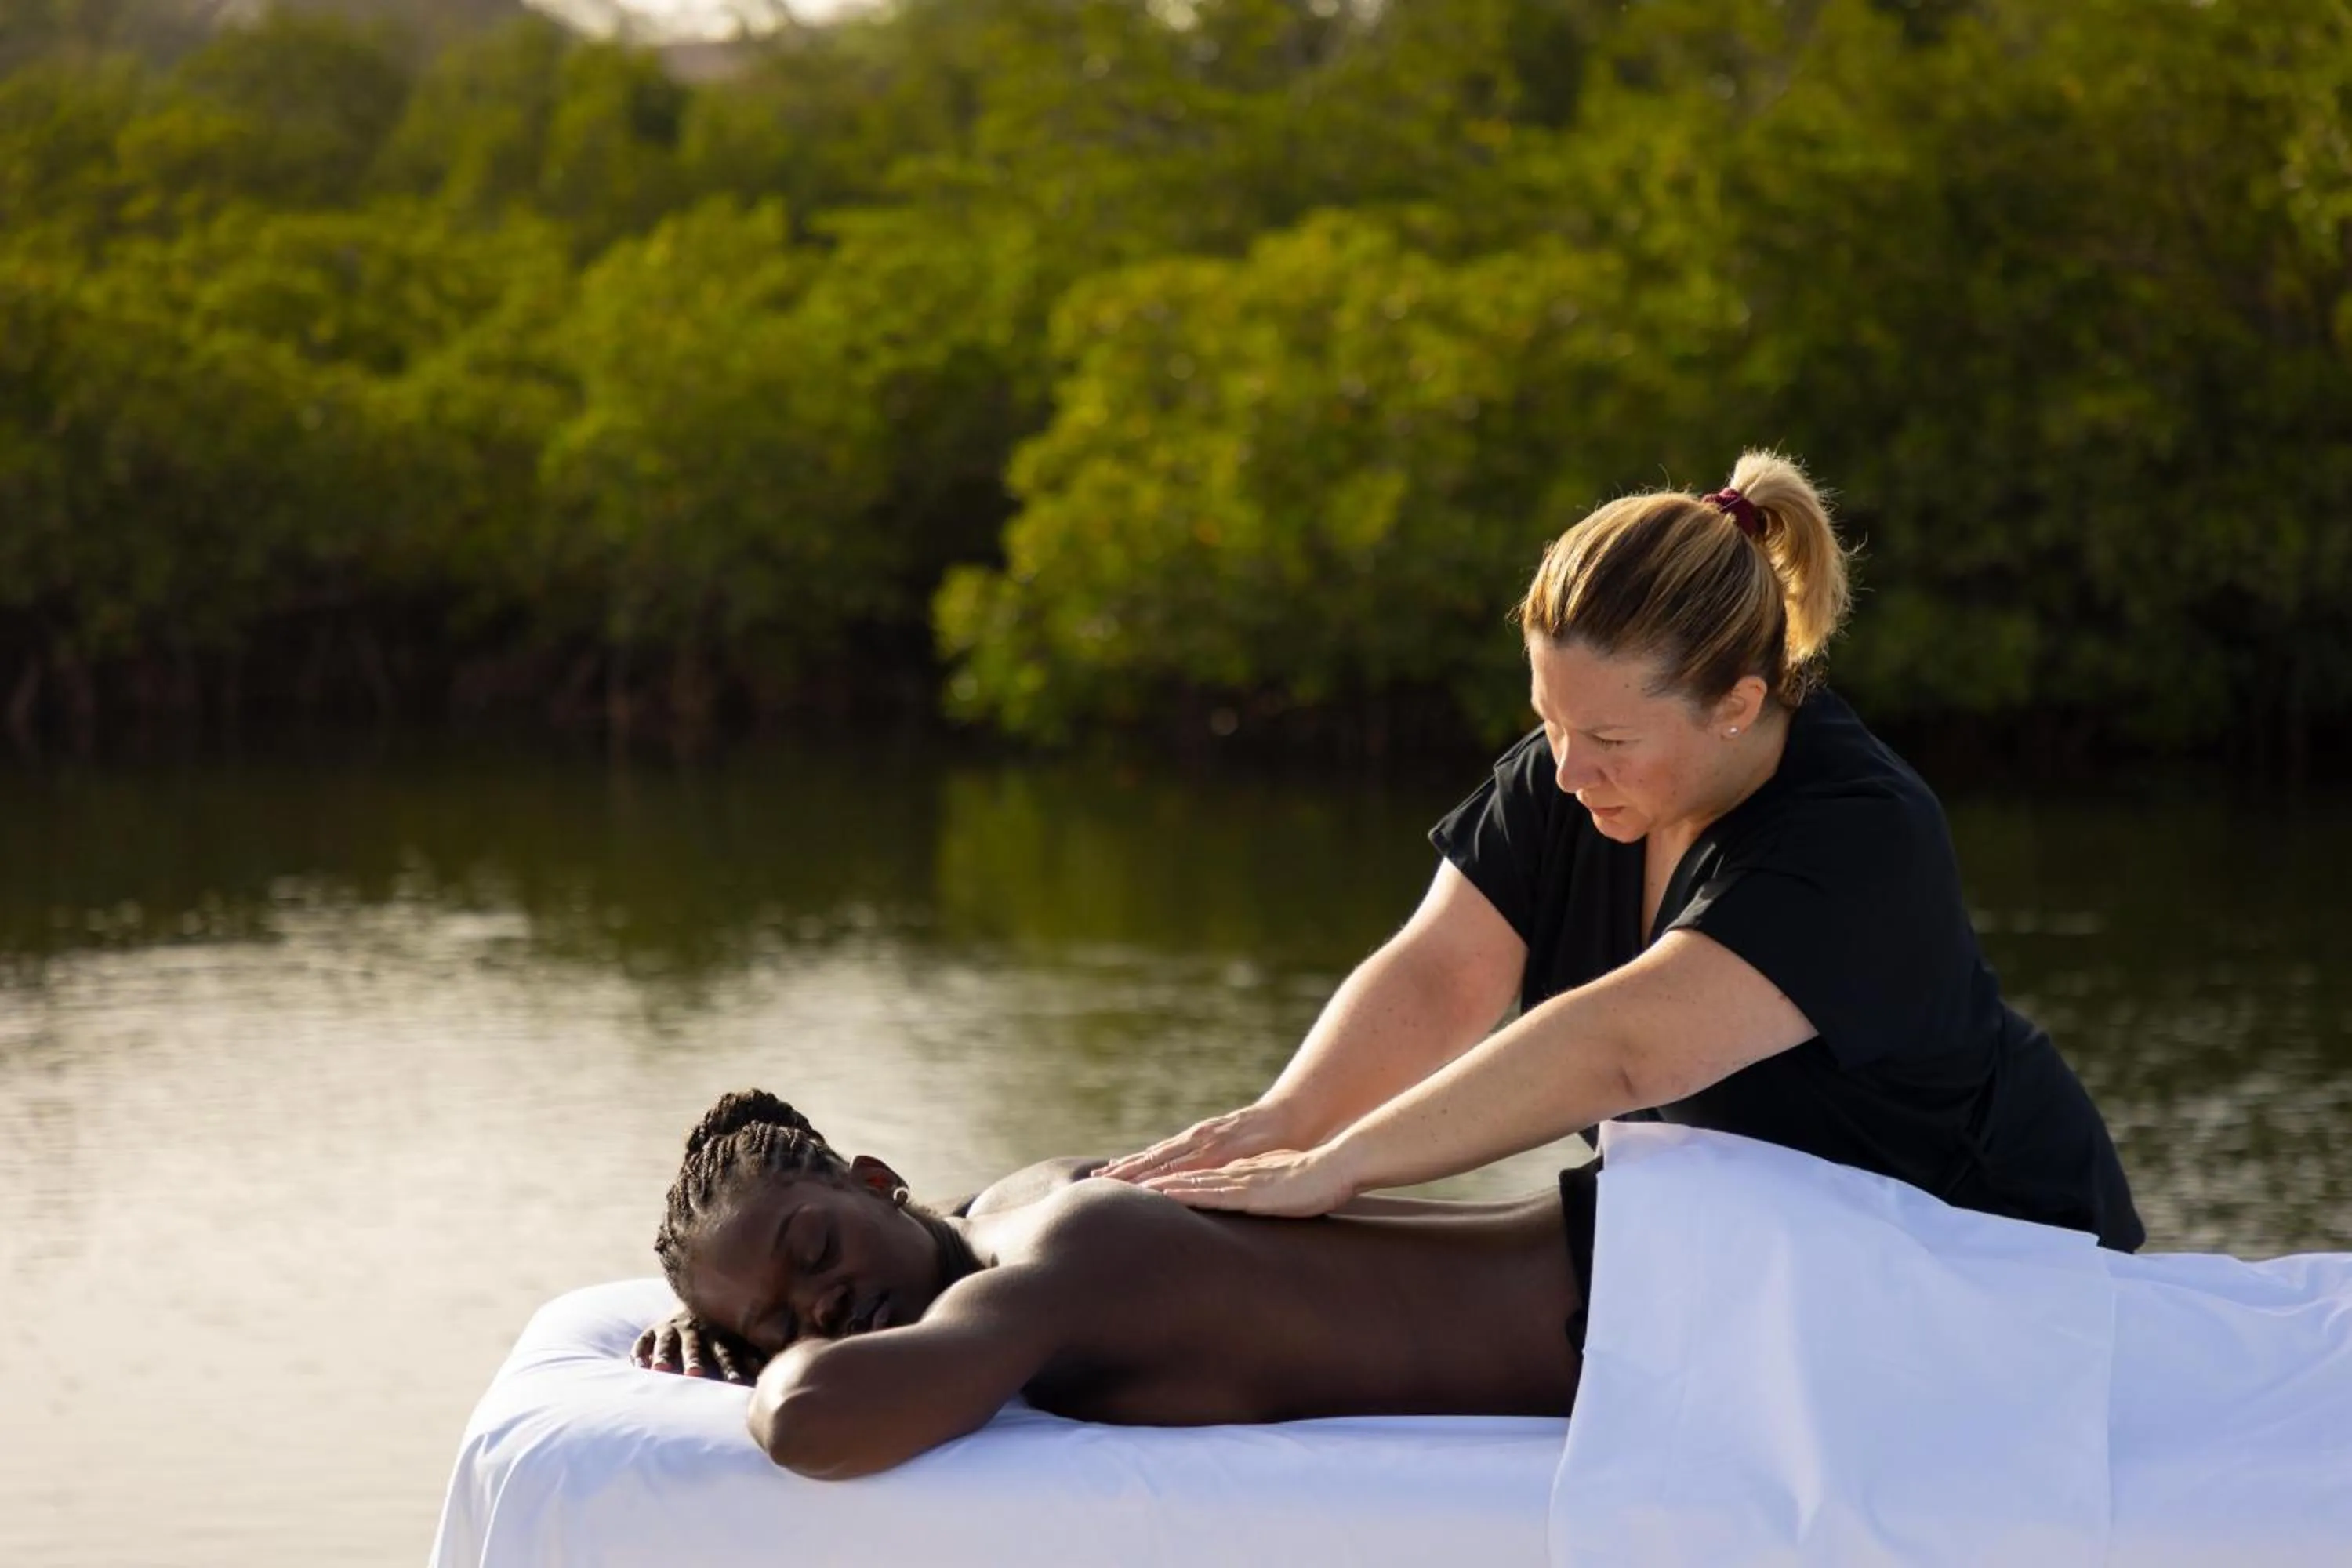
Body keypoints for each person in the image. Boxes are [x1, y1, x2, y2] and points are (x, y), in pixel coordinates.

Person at [1102, 451, 2143, 1251]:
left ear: (1737, 706)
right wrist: (1284, 1122)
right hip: (1742, 1249)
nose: (1562, 771)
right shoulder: (1575, 778)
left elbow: (1620, 1046)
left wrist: (1342, 1168)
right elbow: (1441, 974)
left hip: (1993, 1248)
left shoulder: (1862, 836)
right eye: (1548, 722)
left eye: (1604, 740)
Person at [632, 1089, 1596, 1478]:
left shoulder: (1060, 1257)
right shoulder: (1002, 1206)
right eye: (782, 1317)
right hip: (1601, 1261)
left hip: (1637, 1301)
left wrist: (770, 1354)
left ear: (878, 1181)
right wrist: (721, 1310)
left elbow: (811, 1422)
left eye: (815, 1251)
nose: (825, 1306)